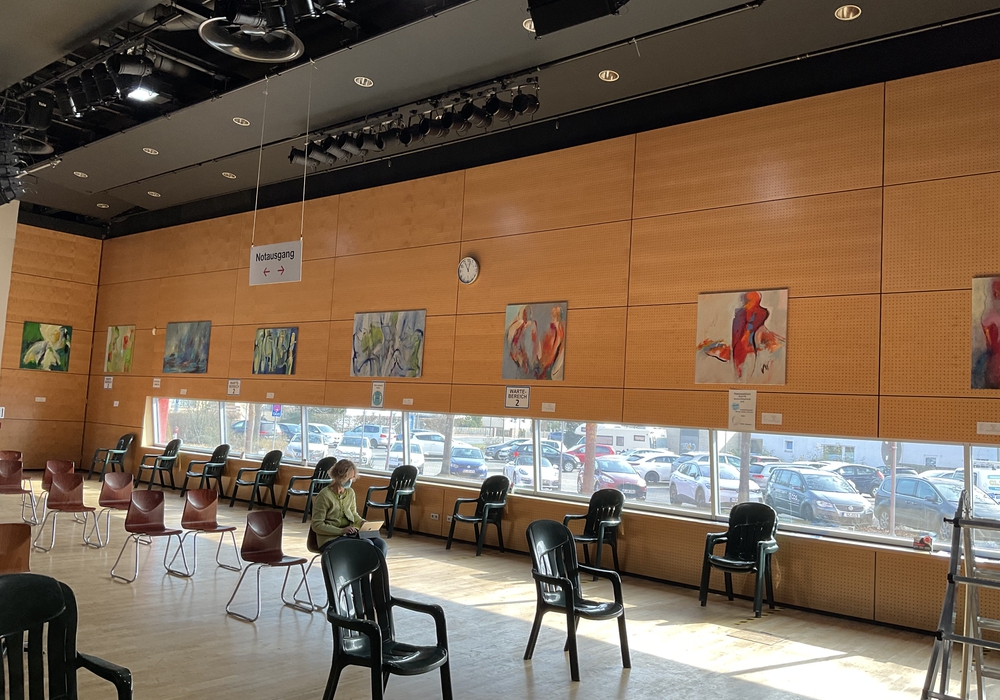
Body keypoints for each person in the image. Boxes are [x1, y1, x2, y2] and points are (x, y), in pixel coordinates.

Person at [311, 459, 388, 557]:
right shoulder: (324, 495)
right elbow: (317, 525)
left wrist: (362, 523)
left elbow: (353, 514)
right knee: (366, 545)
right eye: (348, 478)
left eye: (352, 478)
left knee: (381, 544)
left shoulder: (350, 492)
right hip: (329, 539)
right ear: (338, 476)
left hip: (348, 535)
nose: (350, 481)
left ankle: (376, 567)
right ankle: (364, 567)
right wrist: (341, 531)